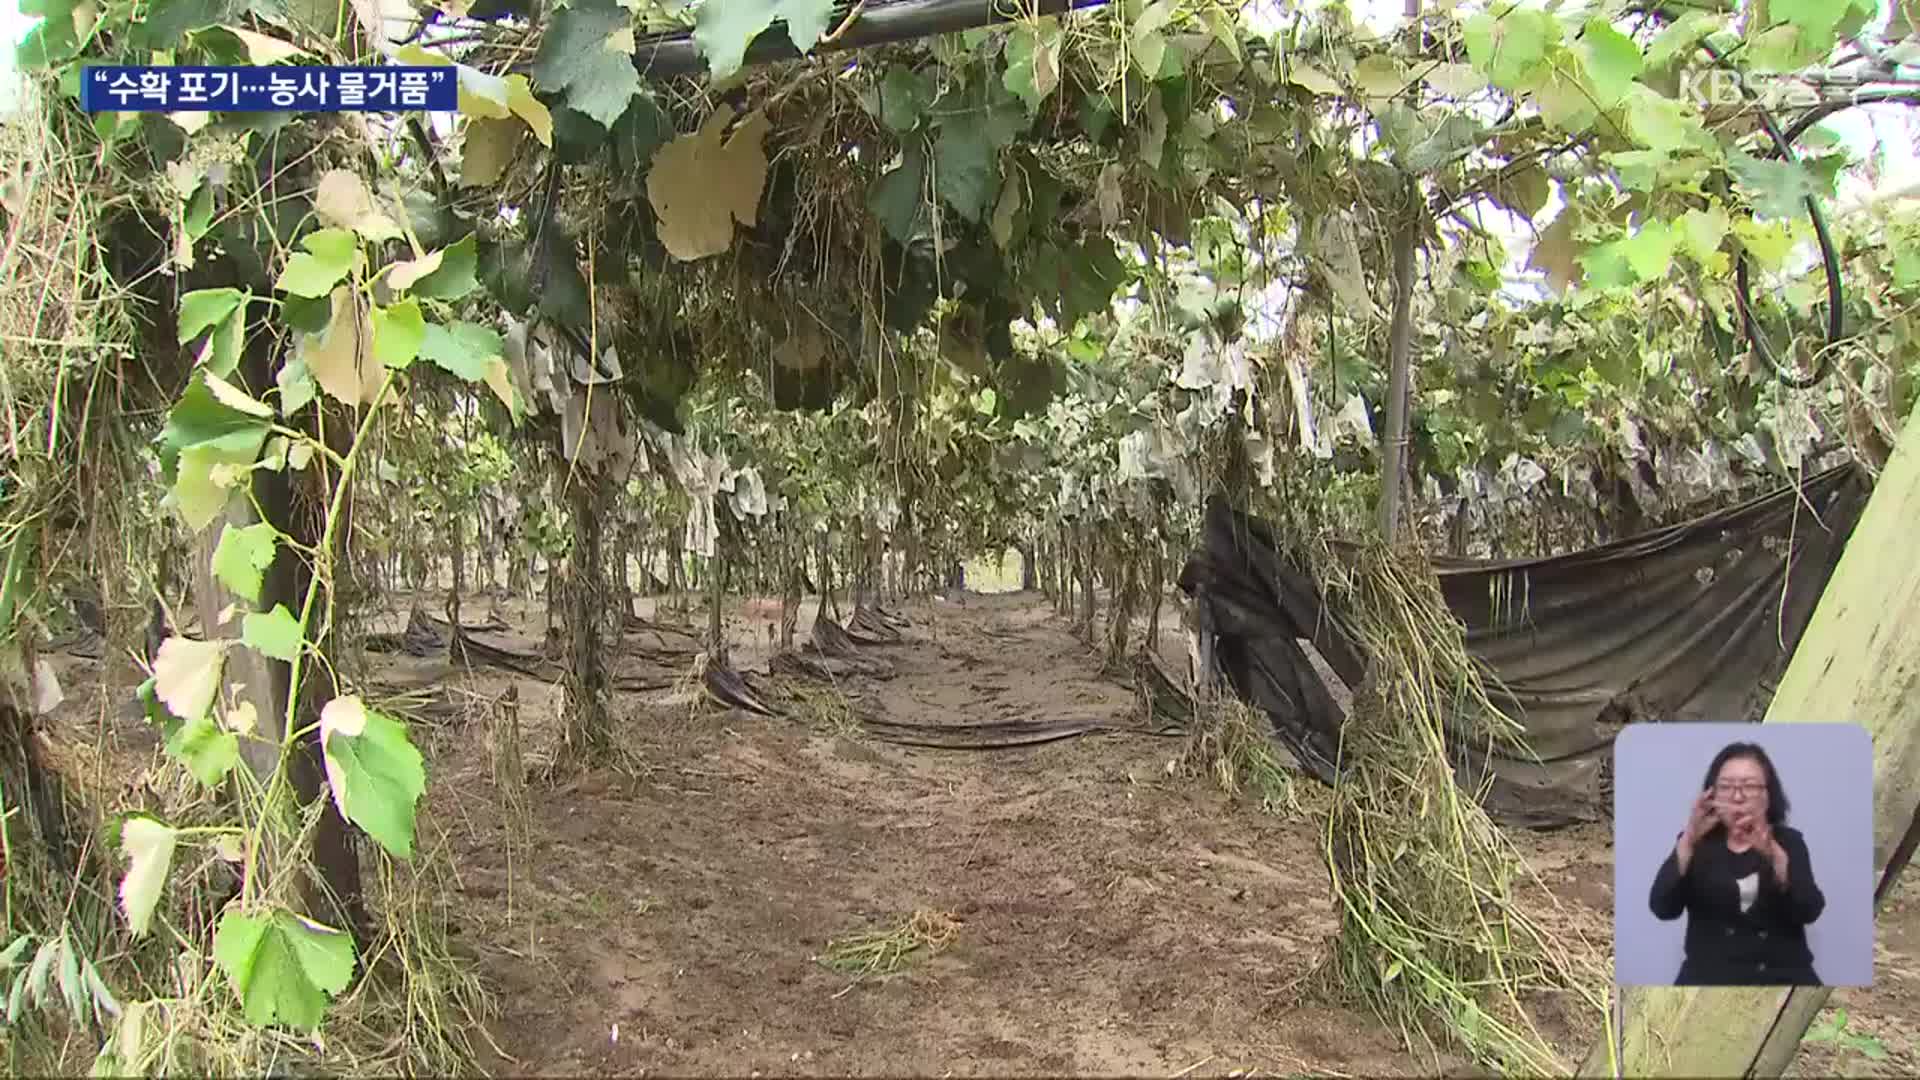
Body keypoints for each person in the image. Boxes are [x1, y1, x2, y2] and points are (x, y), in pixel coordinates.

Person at [1648, 741, 1826, 986]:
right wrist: (1689, 838)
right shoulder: (1694, 843)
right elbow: (1662, 907)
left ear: (1768, 794)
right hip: (1708, 980)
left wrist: (1775, 856)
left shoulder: (1789, 842)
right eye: (1726, 787)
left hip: (1782, 978)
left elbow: (1809, 910)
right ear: (1711, 795)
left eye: (1750, 786)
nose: (1738, 796)